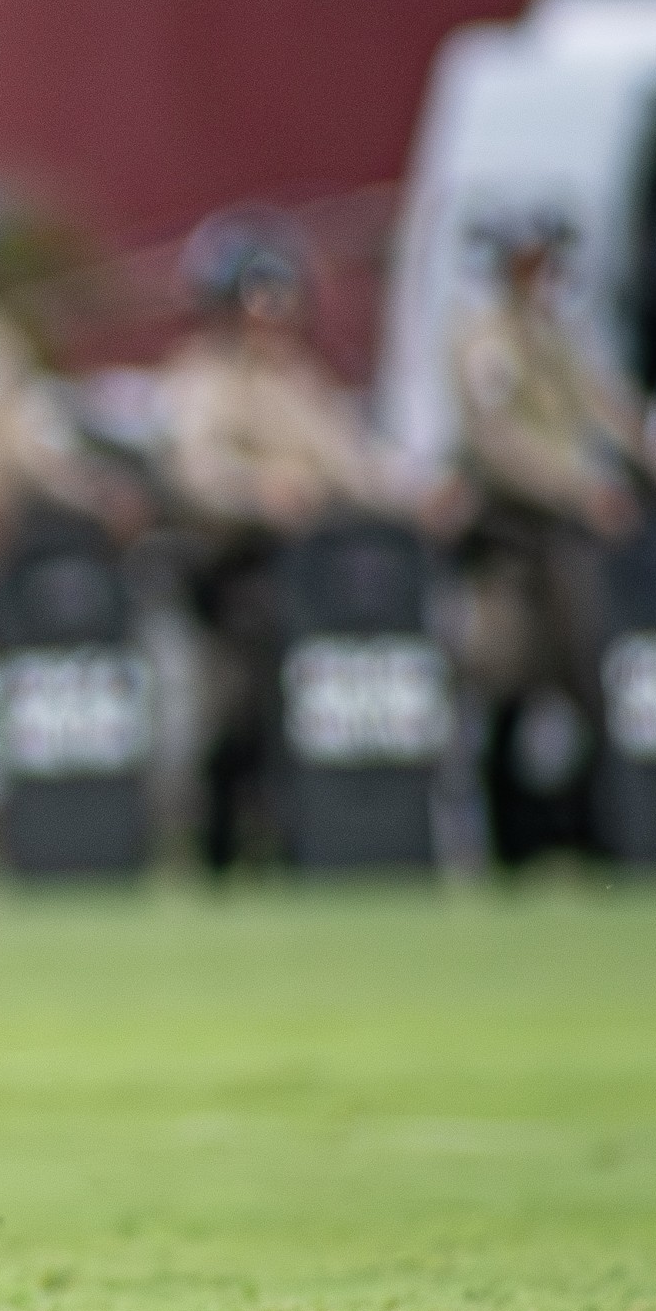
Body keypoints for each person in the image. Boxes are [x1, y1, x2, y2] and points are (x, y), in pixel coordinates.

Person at [153, 210, 407, 869]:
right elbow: (195, 474)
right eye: (258, 299)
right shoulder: (203, 378)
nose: (273, 315)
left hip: (314, 576)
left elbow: (353, 464)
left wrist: (414, 496)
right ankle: (221, 845)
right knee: (235, 715)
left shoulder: (300, 380)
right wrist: (261, 489)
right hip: (233, 575)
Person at [447, 211, 656, 854]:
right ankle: (493, 839)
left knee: (592, 684)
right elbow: (496, 443)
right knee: (498, 682)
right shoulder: (485, 337)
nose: (551, 276)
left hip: (572, 549)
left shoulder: (556, 338)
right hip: (512, 547)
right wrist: (579, 487)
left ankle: (599, 834)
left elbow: (611, 410)